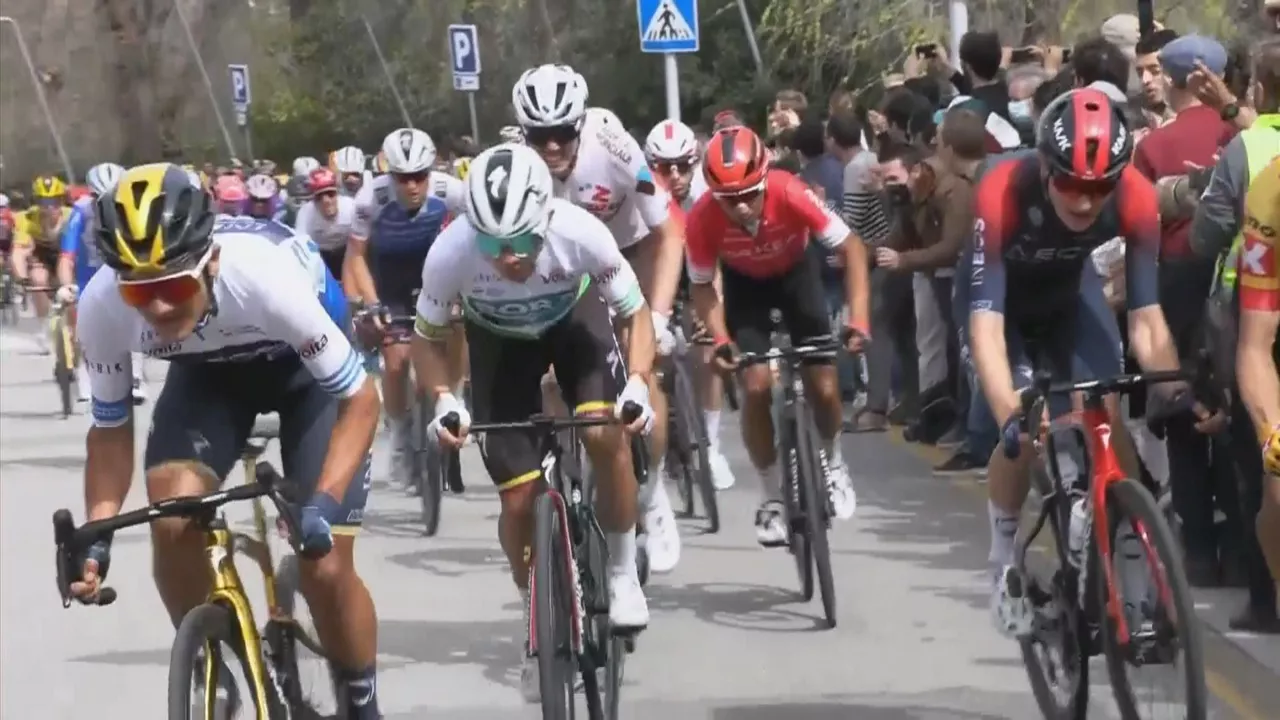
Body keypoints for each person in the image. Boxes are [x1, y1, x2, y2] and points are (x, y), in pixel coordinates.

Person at [68, 163, 383, 718]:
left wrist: (323, 504)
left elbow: (361, 400)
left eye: (172, 286)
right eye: (139, 292)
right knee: (171, 521)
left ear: (210, 262)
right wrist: (97, 532)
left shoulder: (264, 278)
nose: (158, 307)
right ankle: (214, 663)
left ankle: (361, 700)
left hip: (303, 375)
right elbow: (110, 429)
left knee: (326, 565)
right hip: (207, 379)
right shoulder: (101, 307)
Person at [414, 144, 655, 701]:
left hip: (575, 324)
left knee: (603, 434)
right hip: (500, 346)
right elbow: (426, 339)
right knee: (518, 501)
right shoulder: (450, 252)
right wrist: (444, 397)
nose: (508, 258)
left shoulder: (580, 232)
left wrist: (639, 380)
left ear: (545, 219)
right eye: (493, 245)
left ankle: (622, 571)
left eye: (522, 242)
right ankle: (535, 619)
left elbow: (633, 311)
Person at [971, 89, 1186, 638]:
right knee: (1024, 431)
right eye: (1070, 184)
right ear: (1045, 166)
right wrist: (1009, 413)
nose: (1086, 201)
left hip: (1069, 298)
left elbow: (1147, 319)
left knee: (1107, 415)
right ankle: (1002, 558)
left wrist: (1174, 392)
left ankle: (1131, 558)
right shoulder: (1001, 191)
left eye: (1100, 187)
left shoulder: (1136, 196)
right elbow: (986, 330)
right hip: (1002, 310)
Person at [513, 63, 687, 573]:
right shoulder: (517, 166)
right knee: (550, 381)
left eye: (562, 133)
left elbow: (668, 234)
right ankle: (575, 475)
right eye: (539, 136)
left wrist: (657, 316)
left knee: (643, 371)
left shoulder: (614, 147)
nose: (552, 147)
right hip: (565, 274)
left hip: (628, 254)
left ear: (581, 123)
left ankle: (652, 495)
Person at [686, 126, 869, 545]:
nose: (742, 206)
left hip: (796, 277)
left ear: (765, 179)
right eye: (729, 199)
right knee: (754, 386)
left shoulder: (789, 191)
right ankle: (771, 496)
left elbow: (852, 248)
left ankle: (834, 462)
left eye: (750, 194)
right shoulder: (702, 218)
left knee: (825, 387)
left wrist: (858, 318)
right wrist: (720, 339)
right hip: (744, 287)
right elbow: (701, 285)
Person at [347, 128, 467, 491]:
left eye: (420, 175)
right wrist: (371, 303)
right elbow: (356, 256)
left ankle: (454, 396)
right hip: (390, 278)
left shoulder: (452, 191)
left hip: (436, 271)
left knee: (458, 327)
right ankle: (400, 433)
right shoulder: (371, 197)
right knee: (396, 360)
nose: (412, 185)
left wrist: (467, 288)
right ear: (390, 175)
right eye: (403, 177)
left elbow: (476, 237)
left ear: (431, 172)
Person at [642, 119, 738, 492]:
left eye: (684, 166)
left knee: (708, 346)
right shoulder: (641, 193)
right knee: (652, 351)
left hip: (700, 267)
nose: (676, 176)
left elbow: (717, 264)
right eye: (665, 168)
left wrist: (713, 314)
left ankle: (711, 445)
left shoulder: (707, 193)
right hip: (657, 268)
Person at [56, 162, 146, 404]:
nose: (106, 204)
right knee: (82, 326)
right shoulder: (80, 213)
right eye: (99, 198)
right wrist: (66, 285)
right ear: (91, 195)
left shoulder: (134, 210)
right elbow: (66, 257)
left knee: (135, 317)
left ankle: (136, 377)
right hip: (87, 278)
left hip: (120, 272)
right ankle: (87, 375)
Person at [10, 174, 73, 352]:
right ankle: (44, 326)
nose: (49, 207)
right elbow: (18, 251)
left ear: (62, 200)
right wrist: (22, 278)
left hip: (65, 255)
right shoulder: (27, 218)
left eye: (54, 201)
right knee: (38, 279)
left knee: (70, 286)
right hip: (41, 257)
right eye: (44, 202)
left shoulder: (71, 216)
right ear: (36, 202)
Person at [296, 167, 358, 281]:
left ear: (337, 194)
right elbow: (300, 248)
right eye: (319, 197)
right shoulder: (305, 213)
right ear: (313, 200)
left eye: (330, 194)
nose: (326, 201)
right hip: (320, 256)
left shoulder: (351, 207)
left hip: (348, 251)